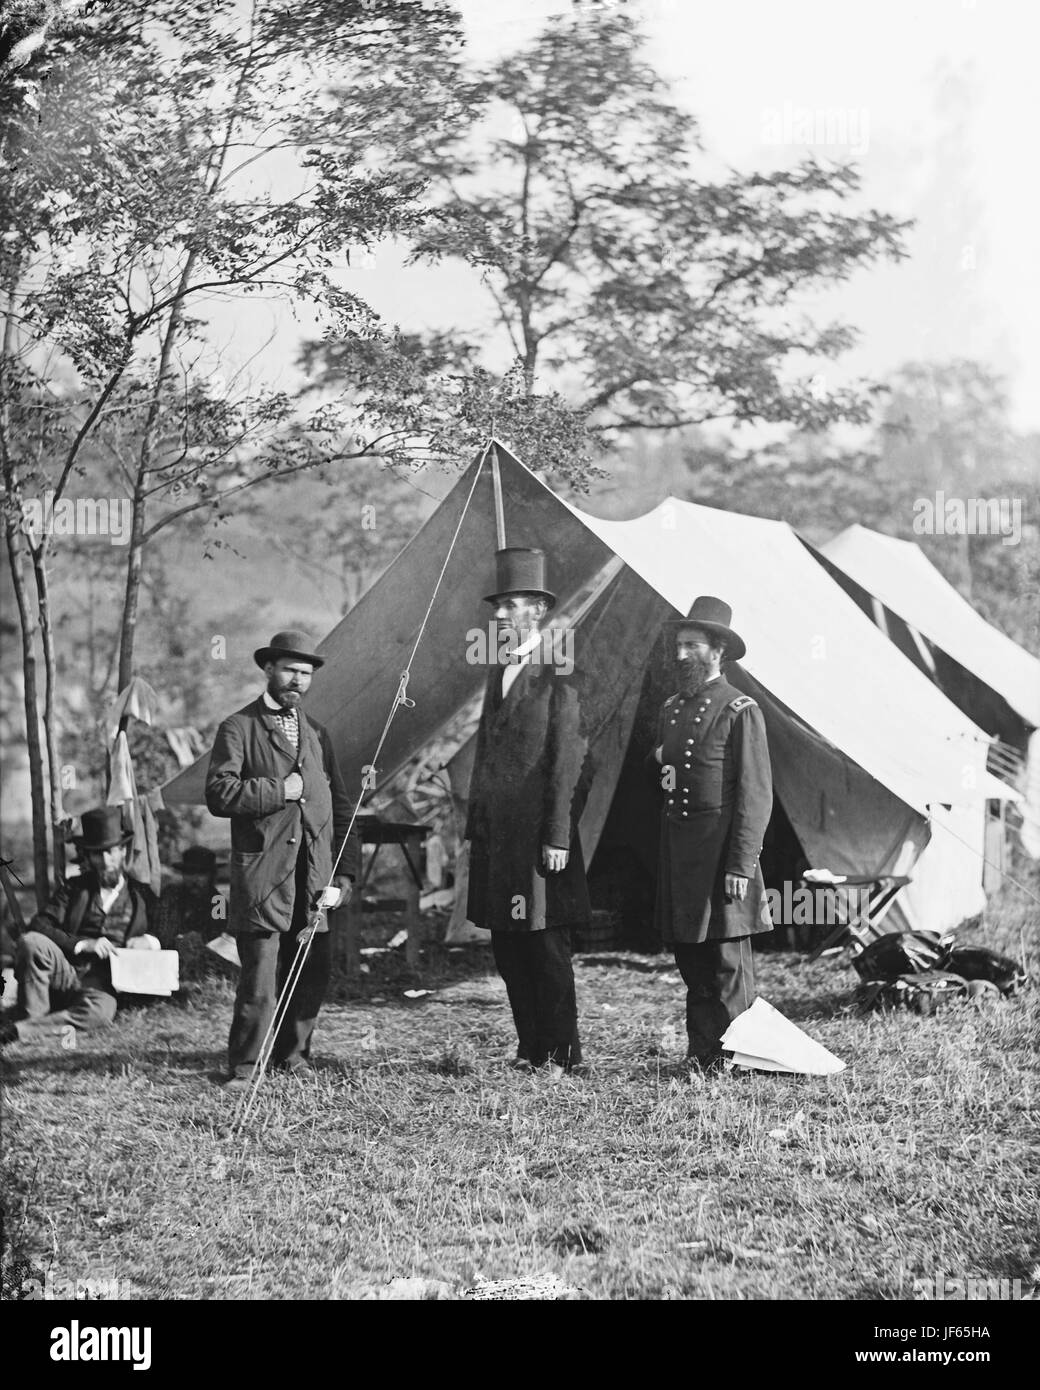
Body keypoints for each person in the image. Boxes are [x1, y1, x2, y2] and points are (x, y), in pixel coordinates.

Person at [206, 630, 358, 1091]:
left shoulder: (318, 734)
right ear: (268, 669)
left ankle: (294, 1057)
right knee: (260, 978)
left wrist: (344, 875)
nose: (298, 680)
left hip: (313, 879)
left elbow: (345, 808)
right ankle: (246, 1067)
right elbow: (218, 793)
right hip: (264, 876)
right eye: (290, 670)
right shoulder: (238, 727)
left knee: (310, 969)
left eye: (306, 674)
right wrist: (280, 790)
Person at [465, 548, 592, 1076]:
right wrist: (475, 828)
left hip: (541, 841)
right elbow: (484, 756)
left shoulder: (561, 675)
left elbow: (570, 764)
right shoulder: (498, 673)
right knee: (509, 947)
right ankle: (531, 1049)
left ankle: (564, 1056)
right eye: (498, 608)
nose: (500, 617)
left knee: (544, 947)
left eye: (512, 606)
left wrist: (557, 837)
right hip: (499, 841)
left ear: (537, 610)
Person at [652, 597, 773, 1072]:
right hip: (681, 853)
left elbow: (755, 794)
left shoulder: (740, 709)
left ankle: (741, 1056)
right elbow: (668, 777)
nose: (681, 654)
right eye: (678, 644)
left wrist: (741, 864)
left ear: (717, 648)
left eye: (692, 645)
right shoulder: (671, 708)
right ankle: (703, 1054)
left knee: (727, 963)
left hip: (722, 855)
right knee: (692, 959)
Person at [0, 805, 159, 1047]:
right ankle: (34, 1018)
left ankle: (23, 1031)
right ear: (89, 856)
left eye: (111, 852)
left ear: (122, 851)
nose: (105, 861)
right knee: (31, 941)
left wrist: (149, 941)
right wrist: (82, 944)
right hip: (66, 972)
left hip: (103, 984)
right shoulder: (74, 888)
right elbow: (40, 924)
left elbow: (167, 930)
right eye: (98, 854)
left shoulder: (141, 894)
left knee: (101, 1013)